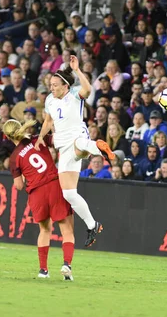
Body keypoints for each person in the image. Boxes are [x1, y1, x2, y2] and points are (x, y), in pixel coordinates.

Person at [36, 55, 113, 247]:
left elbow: (88, 89)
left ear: (65, 86)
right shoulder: (50, 102)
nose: (51, 87)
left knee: (80, 144)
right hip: (63, 147)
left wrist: (77, 70)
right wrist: (39, 137)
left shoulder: (74, 97)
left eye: (55, 85)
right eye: (50, 84)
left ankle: (97, 147)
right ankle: (92, 224)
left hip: (77, 138)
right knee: (69, 194)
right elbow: (48, 121)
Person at [5, 119, 76, 280]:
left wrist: (25, 174)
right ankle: (67, 265)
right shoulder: (38, 138)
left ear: (7, 136)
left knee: (44, 230)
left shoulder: (14, 158)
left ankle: (43, 270)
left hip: (37, 193)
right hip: (54, 185)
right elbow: (58, 141)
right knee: (67, 230)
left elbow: (19, 186)